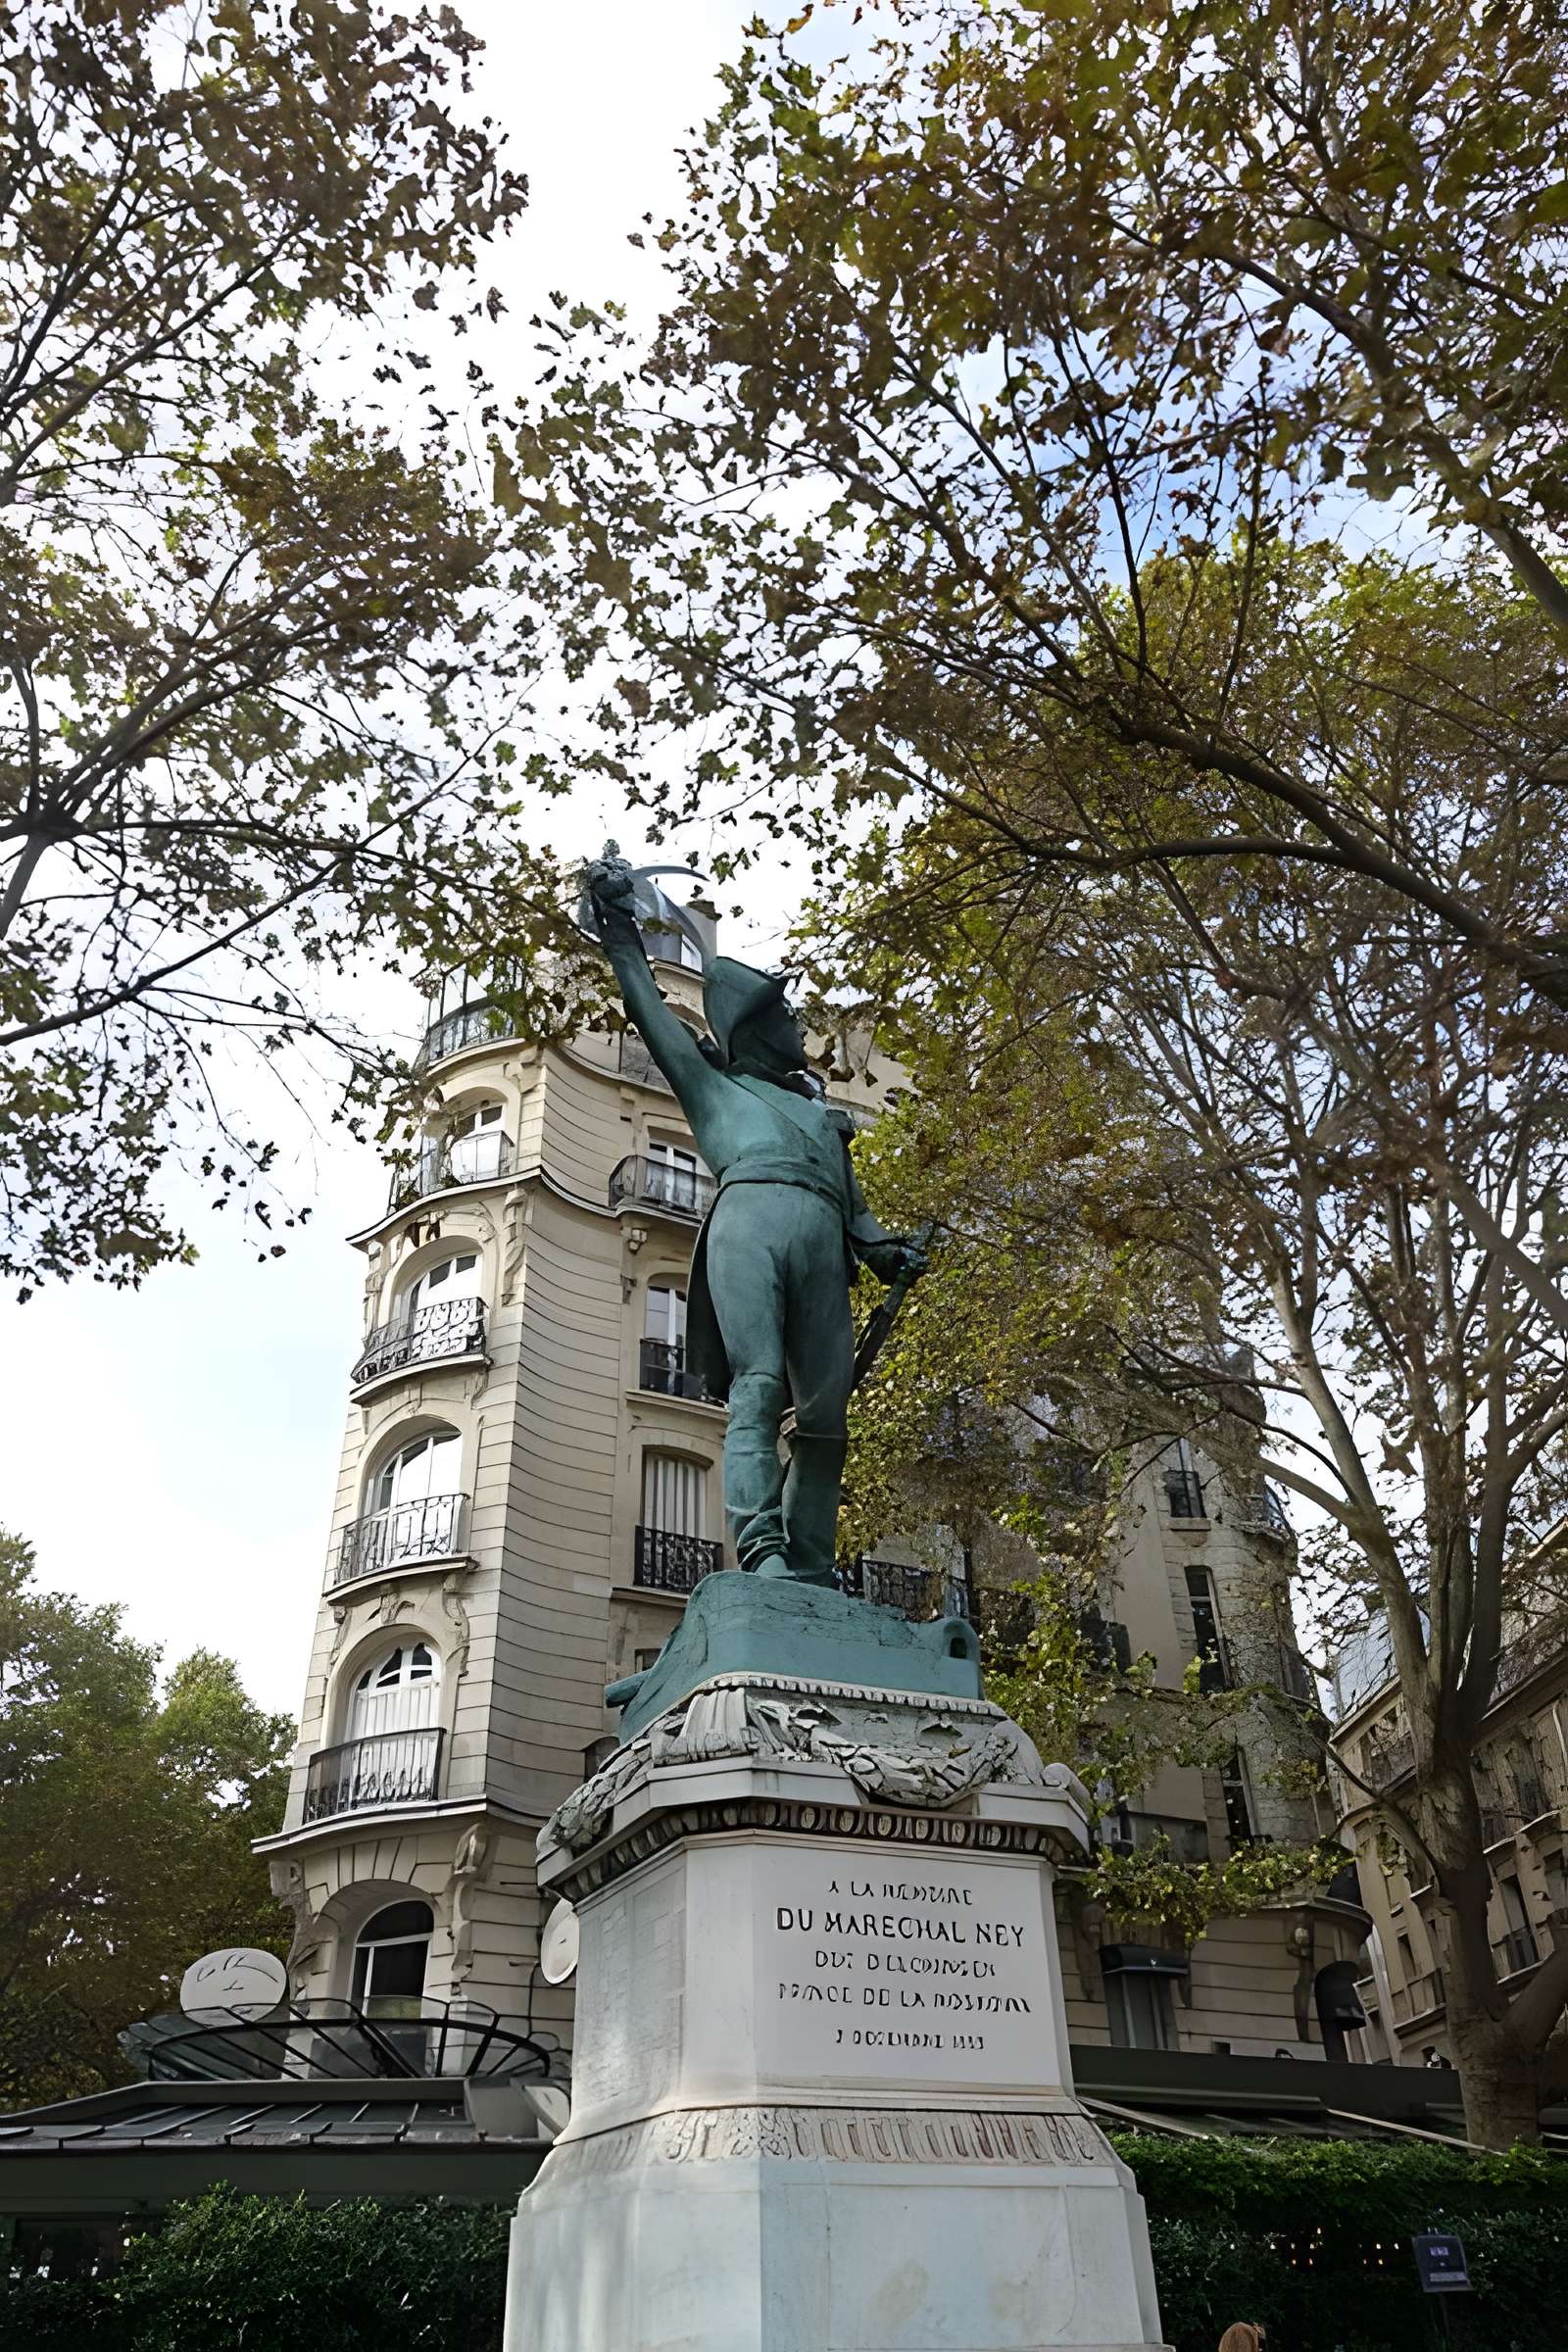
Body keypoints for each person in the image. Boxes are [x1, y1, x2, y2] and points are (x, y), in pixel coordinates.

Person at [585, 847, 925, 1587]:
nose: (798, 1025)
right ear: (757, 1027)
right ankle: (761, 1545)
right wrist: (617, 925)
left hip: (824, 1241)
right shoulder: (712, 1088)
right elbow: (648, 1008)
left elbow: (861, 1218)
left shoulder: (824, 1118)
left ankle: (809, 1563)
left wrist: (885, 1251)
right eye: (786, 1016)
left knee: (827, 1417)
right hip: (749, 1225)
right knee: (760, 1386)